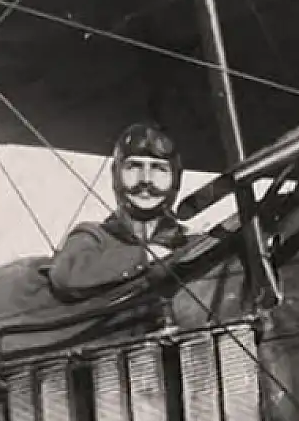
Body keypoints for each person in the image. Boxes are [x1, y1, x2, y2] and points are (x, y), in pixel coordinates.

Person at [47, 121, 191, 302]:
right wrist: (144, 256)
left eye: (158, 168)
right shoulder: (94, 236)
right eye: (134, 167)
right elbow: (66, 275)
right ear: (116, 174)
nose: (146, 180)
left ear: (175, 179)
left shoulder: (186, 241)